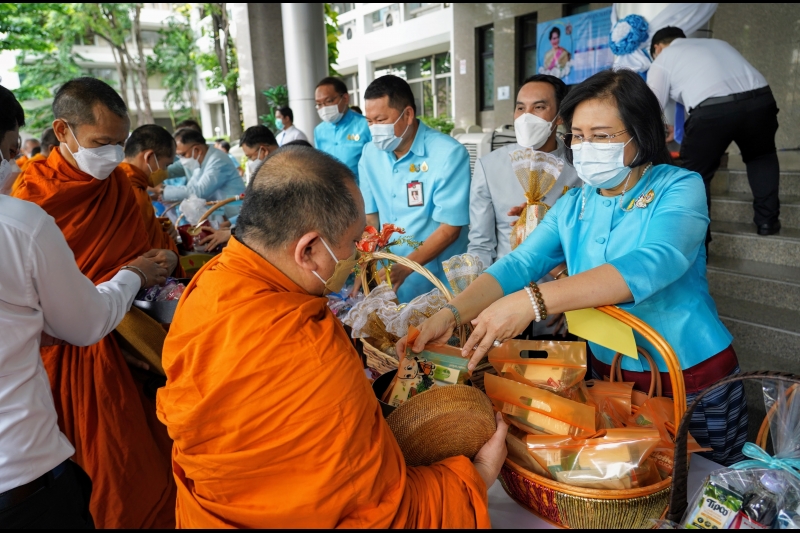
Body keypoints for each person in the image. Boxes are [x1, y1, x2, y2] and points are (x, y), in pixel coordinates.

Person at [400, 69, 749, 467]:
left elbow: (657, 259)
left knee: (707, 483)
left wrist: (532, 301)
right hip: (607, 374)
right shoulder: (573, 202)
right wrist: (450, 314)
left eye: (601, 136)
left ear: (640, 133)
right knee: (629, 483)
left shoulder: (679, 185)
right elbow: (519, 262)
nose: (585, 147)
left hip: (688, 373)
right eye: (578, 136)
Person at [156, 145, 507, 528]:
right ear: (308, 250)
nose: (358, 256)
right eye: (354, 243)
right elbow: (379, 516)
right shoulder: (310, 351)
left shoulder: (208, 286)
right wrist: (478, 475)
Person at [12, 77, 179, 528]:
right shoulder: (33, 197)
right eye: (100, 143)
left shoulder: (120, 187)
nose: (112, 154)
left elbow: (146, 256)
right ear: (62, 131)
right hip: (65, 356)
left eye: (119, 143)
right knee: (95, 476)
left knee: (140, 471)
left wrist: (164, 258)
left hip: (130, 347)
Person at [469, 74, 582, 338]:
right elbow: (481, 244)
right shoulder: (490, 165)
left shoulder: (580, 167)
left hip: (560, 305)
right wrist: (478, 299)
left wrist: (572, 298)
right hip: (503, 302)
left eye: (538, 107)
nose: (526, 116)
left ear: (560, 116)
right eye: (521, 108)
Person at [648, 26, 781, 237]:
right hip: (761, 101)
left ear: (657, 48)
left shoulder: (663, 58)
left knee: (696, 175)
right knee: (761, 158)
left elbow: (651, 108)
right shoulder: (718, 44)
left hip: (712, 111)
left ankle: (699, 241)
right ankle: (768, 223)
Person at [359, 75, 471, 303]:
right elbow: (371, 219)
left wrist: (405, 267)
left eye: (381, 120)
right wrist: (365, 265)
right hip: (392, 278)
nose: (374, 129)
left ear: (408, 115)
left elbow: (450, 229)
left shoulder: (448, 154)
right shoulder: (370, 154)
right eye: (369, 121)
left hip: (438, 280)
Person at [197, 125, 281, 251]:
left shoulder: (282, 175)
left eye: (250, 157)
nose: (250, 162)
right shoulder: (269, 172)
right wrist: (231, 223)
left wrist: (232, 232)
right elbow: (256, 211)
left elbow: (270, 220)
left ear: (263, 150)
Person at [121, 124, 185, 274]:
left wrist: (160, 227)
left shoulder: (130, 184)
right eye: (166, 165)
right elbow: (140, 251)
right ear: (149, 157)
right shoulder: (130, 192)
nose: (165, 173)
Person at [161, 127, 245, 221]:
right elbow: (191, 188)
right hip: (221, 214)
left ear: (197, 150)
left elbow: (199, 191)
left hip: (235, 215)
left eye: (183, 154)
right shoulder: (199, 163)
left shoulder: (217, 160)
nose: (181, 160)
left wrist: (162, 190)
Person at [314, 76, 372, 182]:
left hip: (360, 189)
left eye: (329, 101)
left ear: (345, 98)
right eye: (319, 104)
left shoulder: (366, 125)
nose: (324, 108)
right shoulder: (319, 131)